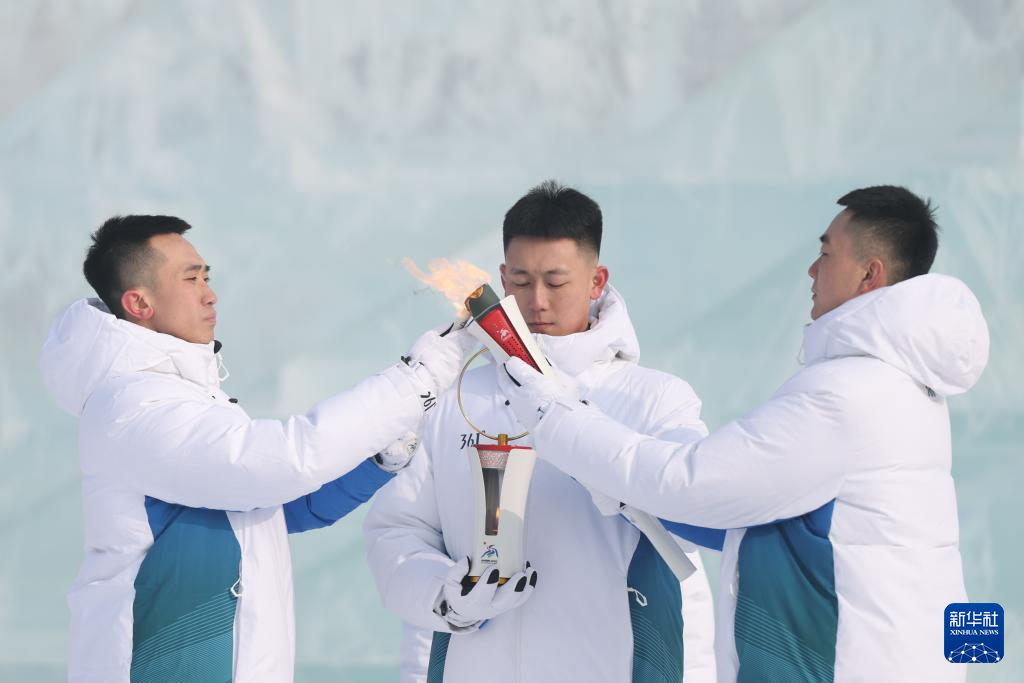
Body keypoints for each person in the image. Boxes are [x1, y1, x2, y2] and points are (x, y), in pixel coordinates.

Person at [498, 186, 990, 682]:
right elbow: (740, 519)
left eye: (825, 254)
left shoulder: (846, 396)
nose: (811, 270)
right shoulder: (911, 391)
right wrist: (618, 484)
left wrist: (552, 417)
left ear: (869, 274)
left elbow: (693, 487)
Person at [40, 215, 469, 682]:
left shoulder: (191, 400)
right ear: (139, 302)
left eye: (206, 277)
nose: (209, 294)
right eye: (190, 279)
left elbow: (276, 507)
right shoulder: (134, 407)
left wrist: (381, 457)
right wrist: (418, 379)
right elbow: (283, 463)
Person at [364, 181, 717, 682]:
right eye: (522, 281)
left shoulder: (655, 400)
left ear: (596, 281)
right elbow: (397, 531)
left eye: (556, 282)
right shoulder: (453, 400)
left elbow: (690, 525)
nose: (537, 302)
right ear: (502, 278)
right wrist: (447, 594)